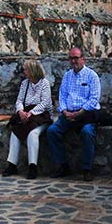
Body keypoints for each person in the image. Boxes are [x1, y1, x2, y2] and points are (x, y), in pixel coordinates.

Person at [46, 47, 102, 181]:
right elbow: (62, 96)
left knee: (87, 132)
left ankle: (87, 168)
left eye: (76, 58)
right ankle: (63, 165)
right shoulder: (67, 76)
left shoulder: (91, 76)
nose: (73, 61)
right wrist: (65, 111)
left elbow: (94, 99)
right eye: (71, 58)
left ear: (83, 59)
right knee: (52, 131)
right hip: (68, 114)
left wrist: (78, 114)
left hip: (86, 114)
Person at [3, 59, 53, 179]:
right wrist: (20, 111)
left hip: (41, 117)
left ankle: (32, 166)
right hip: (26, 116)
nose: (24, 72)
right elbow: (19, 100)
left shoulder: (44, 83)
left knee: (33, 134)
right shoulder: (25, 84)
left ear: (32, 71)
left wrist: (31, 113)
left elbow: (45, 103)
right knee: (15, 132)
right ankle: (12, 164)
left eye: (26, 69)